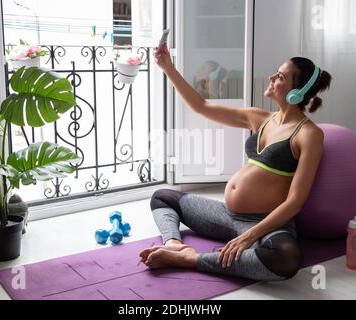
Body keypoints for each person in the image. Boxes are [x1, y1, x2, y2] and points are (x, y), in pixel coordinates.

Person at [139, 45, 332, 281]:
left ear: (297, 93)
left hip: (264, 223)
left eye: (280, 76)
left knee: (285, 258)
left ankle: (190, 260)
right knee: (162, 196)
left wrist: (249, 237)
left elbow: (294, 202)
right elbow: (202, 106)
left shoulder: (309, 134)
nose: (271, 77)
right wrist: (168, 68)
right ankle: (174, 245)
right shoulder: (258, 117)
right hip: (226, 216)